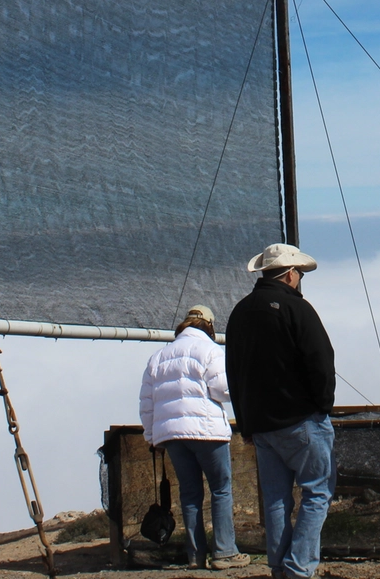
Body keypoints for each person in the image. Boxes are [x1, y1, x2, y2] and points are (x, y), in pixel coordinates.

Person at [225, 244, 336, 579]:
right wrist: (322, 405)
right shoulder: (297, 309)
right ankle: (299, 568)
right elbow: (321, 362)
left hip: (260, 425)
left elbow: (233, 371)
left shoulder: (240, 312)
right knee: (317, 491)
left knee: (275, 499)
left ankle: (279, 567)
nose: (299, 278)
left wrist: (245, 422)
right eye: (299, 273)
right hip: (302, 420)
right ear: (290, 273)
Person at [138, 303, 251, 570]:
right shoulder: (211, 351)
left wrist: (152, 437)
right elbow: (223, 390)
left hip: (172, 437)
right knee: (220, 490)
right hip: (207, 432)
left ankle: (195, 556)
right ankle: (224, 553)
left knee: (190, 494)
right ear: (209, 326)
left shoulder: (158, 357)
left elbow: (147, 403)